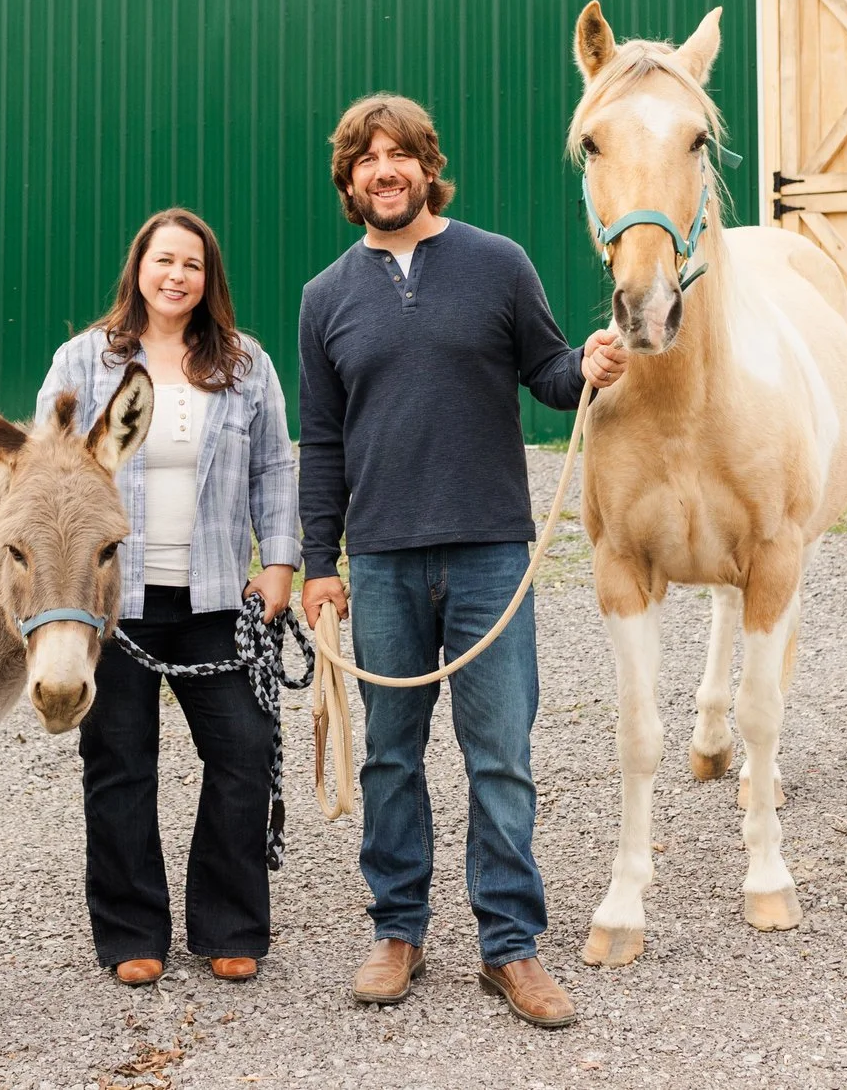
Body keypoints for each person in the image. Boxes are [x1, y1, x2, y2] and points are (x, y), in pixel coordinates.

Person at [296, 94, 627, 1029]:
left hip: (490, 554)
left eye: (401, 155)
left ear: (427, 168)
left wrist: (591, 364)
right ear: (349, 180)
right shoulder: (327, 297)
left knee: (501, 759)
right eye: (367, 159)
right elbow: (321, 443)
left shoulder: (498, 264)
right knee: (390, 759)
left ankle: (510, 946)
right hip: (387, 563)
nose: (384, 171)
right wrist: (322, 561)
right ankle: (398, 931)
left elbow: (552, 375)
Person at [37, 208, 299, 987]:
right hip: (113, 606)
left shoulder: (246, 365)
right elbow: (45, 472)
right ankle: (130, 931)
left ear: (207, 277)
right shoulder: (84, 360)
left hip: (218, 596)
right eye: (164, 260)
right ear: (139, 268)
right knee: (119, 763)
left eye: (192, 263)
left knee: (243, 757)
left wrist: (279, 563)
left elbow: (276, 471)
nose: (176, 274)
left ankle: (229, 925)